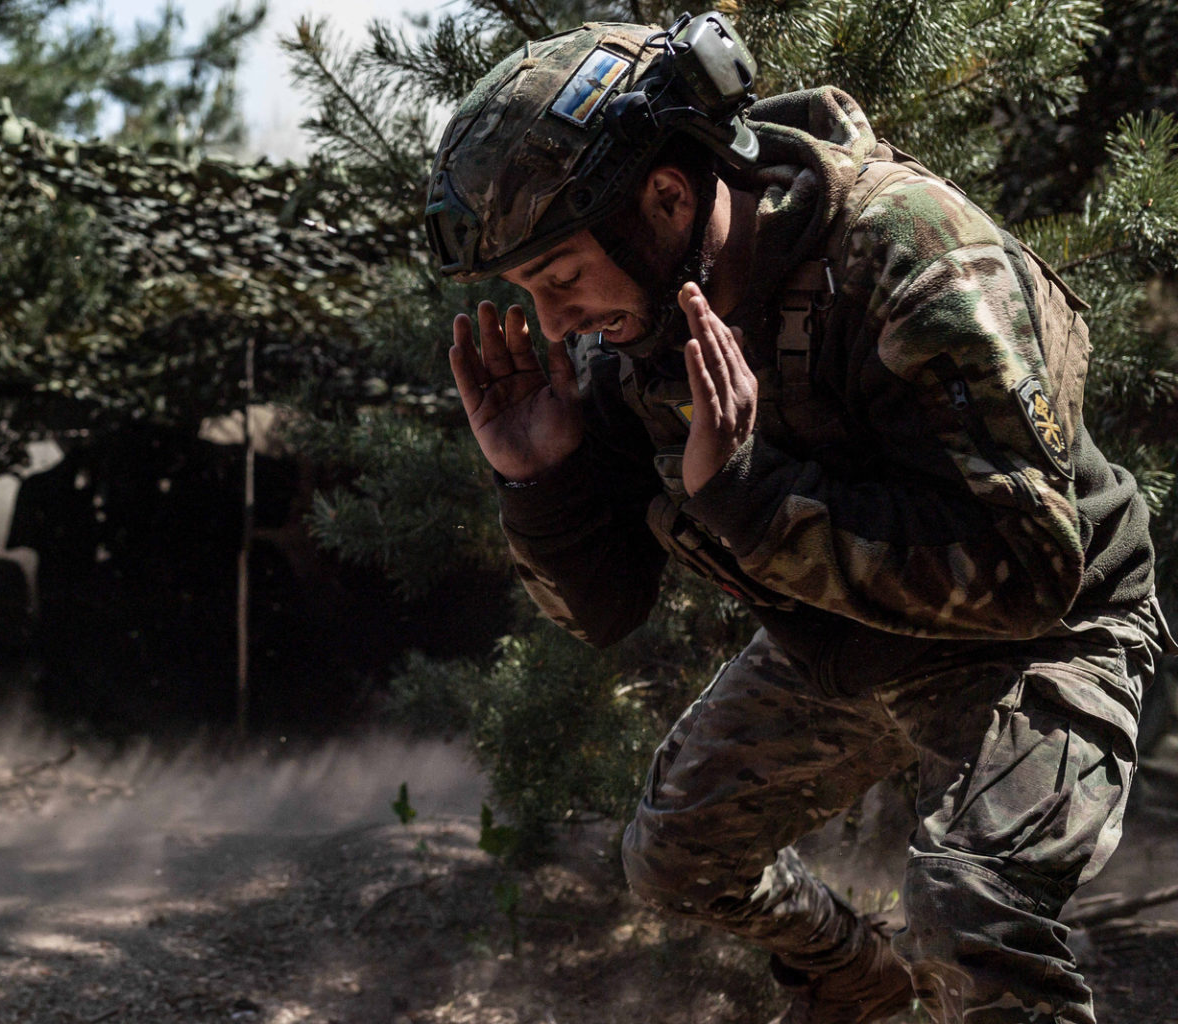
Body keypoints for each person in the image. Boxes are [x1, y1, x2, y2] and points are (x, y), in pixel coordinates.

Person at [427, 14, 1170, 1024]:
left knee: (969, 913)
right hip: (848, 648)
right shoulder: (639, 330)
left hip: (1052, 636)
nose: (554, 321)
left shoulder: (913, 255)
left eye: (561, 278)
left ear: (666, 197)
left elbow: (1025, 570)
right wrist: (542, 480)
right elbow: (605, 613)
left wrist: (748, 496)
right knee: (675, 861)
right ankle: (856, 980)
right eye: (530, 292)